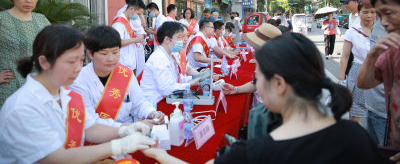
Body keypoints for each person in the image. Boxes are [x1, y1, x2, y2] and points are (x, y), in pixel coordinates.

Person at [140, 33, 384, 164]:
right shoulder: (358, 136)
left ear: (278, 84)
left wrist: (160, 156)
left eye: (259, 75)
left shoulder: (252, 153)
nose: (256, 81)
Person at [0, 25, 155, 163]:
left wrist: (127, 129)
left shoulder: (67, 94)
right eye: (71, 62)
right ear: (44, 62)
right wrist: (120, 145)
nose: (78, 68)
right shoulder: (23, 107)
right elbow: (56, 158)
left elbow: (92, 130)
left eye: (81, 61)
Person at [69, 25, 165, 128]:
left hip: (129, 133)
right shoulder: (78, 81)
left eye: (115, 52)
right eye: (104, 54)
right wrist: (131, 127)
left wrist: (153, 113)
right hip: (98, 140)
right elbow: (91, 124)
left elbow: (139, 104)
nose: (111, 59)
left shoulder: (125, 74)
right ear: (90, 54)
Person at [357, 0, 400, 160]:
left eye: (388, 14)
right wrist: (372, 54)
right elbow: (364, 83)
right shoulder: (391, 53)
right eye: (380, 16)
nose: (384, 23)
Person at [0, 0, 51, 107]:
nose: (29, 0)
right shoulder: (2, 20)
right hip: (9, 86)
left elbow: (53, 47)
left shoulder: (42, 20)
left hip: (38, 84)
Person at [222, 23, 282, 107]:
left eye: (255, 45)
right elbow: (255, 83)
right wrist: (236, 89)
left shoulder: (277, 65)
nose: (252, 48)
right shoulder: (263, 60)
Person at [140, 22, 202, 103]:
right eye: (179, 37)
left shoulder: (169, 55)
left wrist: (194, 78)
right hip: (156, 103)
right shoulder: (159, 58)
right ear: (167, 39)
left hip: (166, 98)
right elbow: (167, 90)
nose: (182, 40)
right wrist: (190, 84)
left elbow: (176, 79)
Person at [339, 3, 377, 123]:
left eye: (372, 12)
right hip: (358, 73)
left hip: (378, 73)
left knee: (378, 112)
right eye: (365, 12)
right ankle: (353, 138)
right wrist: (341, 77)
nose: (369, 15)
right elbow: (345, 56)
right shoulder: (352, 31)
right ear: (359, 13)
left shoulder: (383, 30)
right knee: (355, 111)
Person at [115, 0, 147, 76]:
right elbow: (117, 42)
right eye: (138, 14)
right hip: (123, 64)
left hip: (128, 62)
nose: (138, 16)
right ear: (132, 9)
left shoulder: (128, 19)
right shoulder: (119, 22)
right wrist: (135, 39)